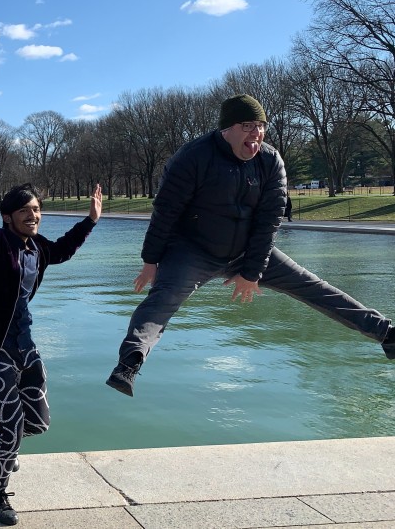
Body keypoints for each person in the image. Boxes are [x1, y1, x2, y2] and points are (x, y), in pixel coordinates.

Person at [106, 94, 395, 397]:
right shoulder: (192, 157)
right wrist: (151, 259)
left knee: (312, 286)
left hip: (249, 249)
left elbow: (269, 221)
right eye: (248, 126)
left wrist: (252, 272)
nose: (256, 133)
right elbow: (165, 212)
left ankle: (386, 334)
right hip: (193, 250)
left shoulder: (270, 161)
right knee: (162, 301)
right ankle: (128, 365)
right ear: (227, 129)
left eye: (261, 126)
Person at [0, 143, 101, 526]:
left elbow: (63, 250)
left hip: (23, 344)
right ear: (7, 217)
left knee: (38, 422)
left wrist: (91, 221)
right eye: (24, 211)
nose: (33, 215)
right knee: (12, 425)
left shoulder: (37, 248)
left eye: (36, 210)